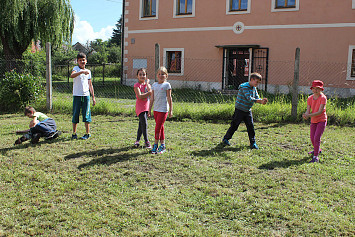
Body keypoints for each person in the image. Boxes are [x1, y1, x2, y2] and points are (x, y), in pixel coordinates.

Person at [222, 72, 268, 149]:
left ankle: (253, 143)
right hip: (239, 110)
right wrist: (259, 101)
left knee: (251, 127)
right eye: (257, 81)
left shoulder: (254, 88)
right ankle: (226, 139)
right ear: (252, 80)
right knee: (234, 125)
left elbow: (256, 97)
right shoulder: (244, 87)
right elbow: (249, 98)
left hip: (247, 110)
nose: (257, 84)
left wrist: (262, 101)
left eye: (259, 82)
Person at [70, 52, 96, 140]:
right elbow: (72, 75)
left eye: (83, 60)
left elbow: (90, 84)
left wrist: (93, 97)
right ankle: (74, 133)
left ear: (86, 61)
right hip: (77, 95)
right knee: (75, 114)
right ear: (77, 61)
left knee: (86, 115)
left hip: (86, 96)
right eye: (80, 60)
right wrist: (81, 72)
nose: (82, 62)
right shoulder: (76, 69)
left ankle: (87, 133)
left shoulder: (88, 71)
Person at [148, 66, 173, 154]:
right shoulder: (154, 85)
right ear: (157, 75)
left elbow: (169, 98)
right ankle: (163, 145)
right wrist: (149, 109)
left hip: (163, 110)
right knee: (160, 127)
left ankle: (155, 145)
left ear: (166, 75)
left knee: (157, 127)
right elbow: (152, 99)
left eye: (163, 74)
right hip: (156, 109)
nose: (161, 75)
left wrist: (170, 110)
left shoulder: (167, 85)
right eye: (159, 74)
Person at [302, 80, 327, 163]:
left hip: (321, 120)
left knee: (317, 138)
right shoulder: (310, 98)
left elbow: (320, 112)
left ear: (321, 89)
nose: (315, 90)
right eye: (314, 88)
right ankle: (317, 149)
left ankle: (315, 156)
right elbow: (308, 110)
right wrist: (306, 115)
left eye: (317, 89)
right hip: (314, 120)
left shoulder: (323, 98)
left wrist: (309, 115)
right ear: (312, 89)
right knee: (312, 138)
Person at [133, 68, 152, 149]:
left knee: (141, 124)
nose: (142, 76)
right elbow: (140, 96)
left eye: (144, 74)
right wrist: (149, 93)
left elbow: (150, 90)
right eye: (140, 74)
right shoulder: (136, 85)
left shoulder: (147, 85)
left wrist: (147, 83)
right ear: (137, 76)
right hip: (140, 108)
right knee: (144, 123)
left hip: (146, 107)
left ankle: (137, 141)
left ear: (146, 76)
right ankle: (146, 141)